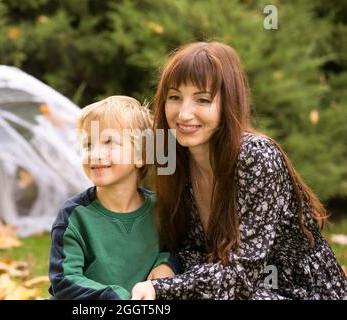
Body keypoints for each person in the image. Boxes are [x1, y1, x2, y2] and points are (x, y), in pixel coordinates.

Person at [131, 41, 346, 300]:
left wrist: (161, 289)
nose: (184, 113)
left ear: (228, 103)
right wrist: (170, 265)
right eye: (175, 97)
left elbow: (242, 275)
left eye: (202, 99)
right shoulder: (176, 161)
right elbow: (197, 250)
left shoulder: (257, 156)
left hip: (301, 291)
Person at [48, 95, 180, 299]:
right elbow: (63, 280)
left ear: (140, 156)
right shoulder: (74, 216)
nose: (95, 154)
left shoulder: (161, 211)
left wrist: (167, 263)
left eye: (109, 142)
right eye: (88, 145)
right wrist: (116, 297)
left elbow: (179, 250)